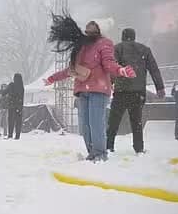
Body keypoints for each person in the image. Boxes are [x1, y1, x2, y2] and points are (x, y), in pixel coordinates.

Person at [45, 16, 136, 162]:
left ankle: (100, 154)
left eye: (93, 26)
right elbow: (72, 69)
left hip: (98, 90)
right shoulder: (82, 45)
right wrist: (52, 78)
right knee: (84, 126)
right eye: (88, 26)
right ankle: (92, 153)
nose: (88, 28)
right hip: (82, 90)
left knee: (96, 123)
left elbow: (108, 63)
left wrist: (121, 71)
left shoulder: (105, 43)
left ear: (100, 29)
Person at [106, 28, 165, 153]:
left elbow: (112, 68)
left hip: (121, 91)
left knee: (113, 121)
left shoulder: (117, 48)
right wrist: (160, 87)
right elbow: (154, 69)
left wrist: (109, 84)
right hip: (138, 92)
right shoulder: (144, 50)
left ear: (123, 36)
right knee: (136, 121)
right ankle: (138, 148)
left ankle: (109, 146)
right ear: (134, 36)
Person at [1, 73, 25, 140]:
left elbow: (3, 93)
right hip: (19, 107)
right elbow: (21, 98)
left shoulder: (11, 85)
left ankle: (10, 135)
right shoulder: (22, 87)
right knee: (18, 122)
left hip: (11, 106)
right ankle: (17, 136)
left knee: (11, 121)